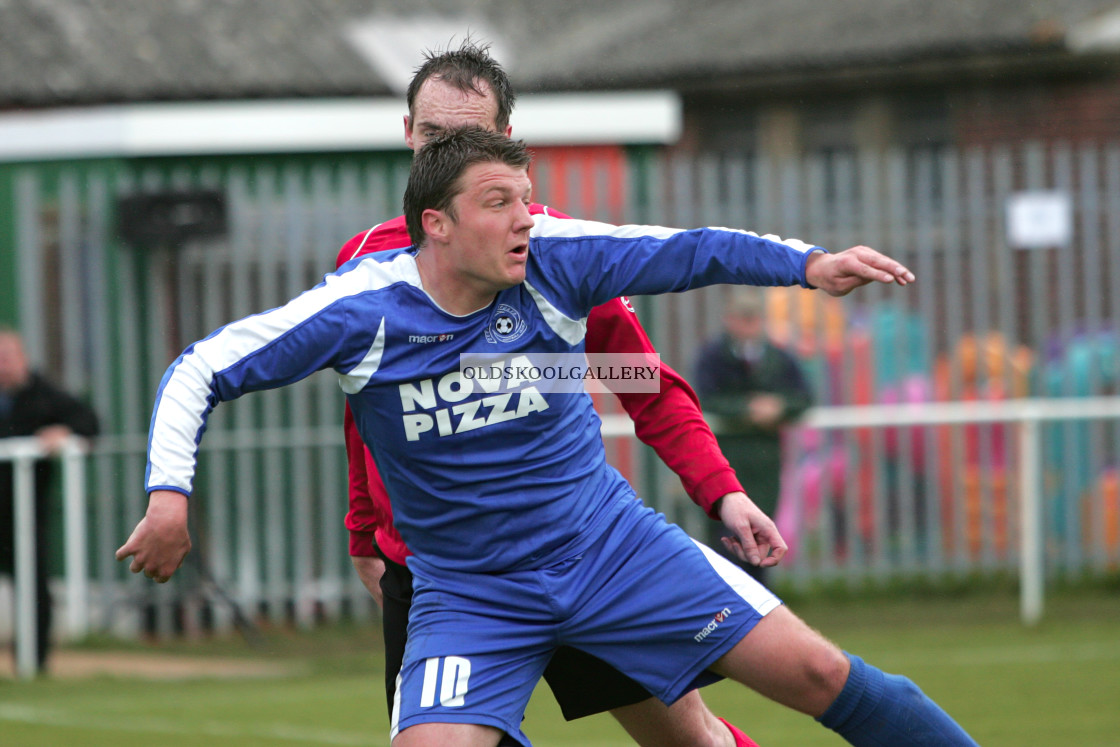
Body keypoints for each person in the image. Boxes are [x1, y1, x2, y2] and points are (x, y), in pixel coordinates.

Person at [117, 128, 979, 747]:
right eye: (500, 202)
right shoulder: (362, 305)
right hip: (470, 590)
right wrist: (170, 496)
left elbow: (681, 281)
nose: (527, 218)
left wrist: (807, 265)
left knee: (806, 681)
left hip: (610, 549)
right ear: (433, 213)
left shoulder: (560, 258)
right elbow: (203, 368)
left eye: (526, 196)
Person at [339, 41, 769, 747]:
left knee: (690, 738)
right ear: (408, 134)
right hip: (434, 572)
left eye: (470, 138)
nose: (446, 155)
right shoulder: (367, 263)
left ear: (507, 142)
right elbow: (368, 411)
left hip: (567, 552)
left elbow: (643, 382)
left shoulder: (561, 254)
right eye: (433, 137)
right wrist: (364, 528)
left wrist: (722, 490)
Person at [694, 289, 812, 584]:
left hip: (765, 459)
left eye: (752, 318)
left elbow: (804, 397)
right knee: (723, 535)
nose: (747, 325)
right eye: (741, 318)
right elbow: (702, 398)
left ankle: (761, 603)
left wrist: (779, 407)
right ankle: (725, 601)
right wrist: (746, 409)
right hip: (722, 457)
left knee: (761, 530)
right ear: (728, 320)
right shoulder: (712, 356)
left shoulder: (778, 357)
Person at [0, 327, 99, 673]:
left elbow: (89, 421)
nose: (3, 365)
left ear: (23, 358)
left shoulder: (44, 396)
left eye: (8, 356)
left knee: (34, 588)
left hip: (25, 513)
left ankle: (33, 663)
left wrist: (65, 432)